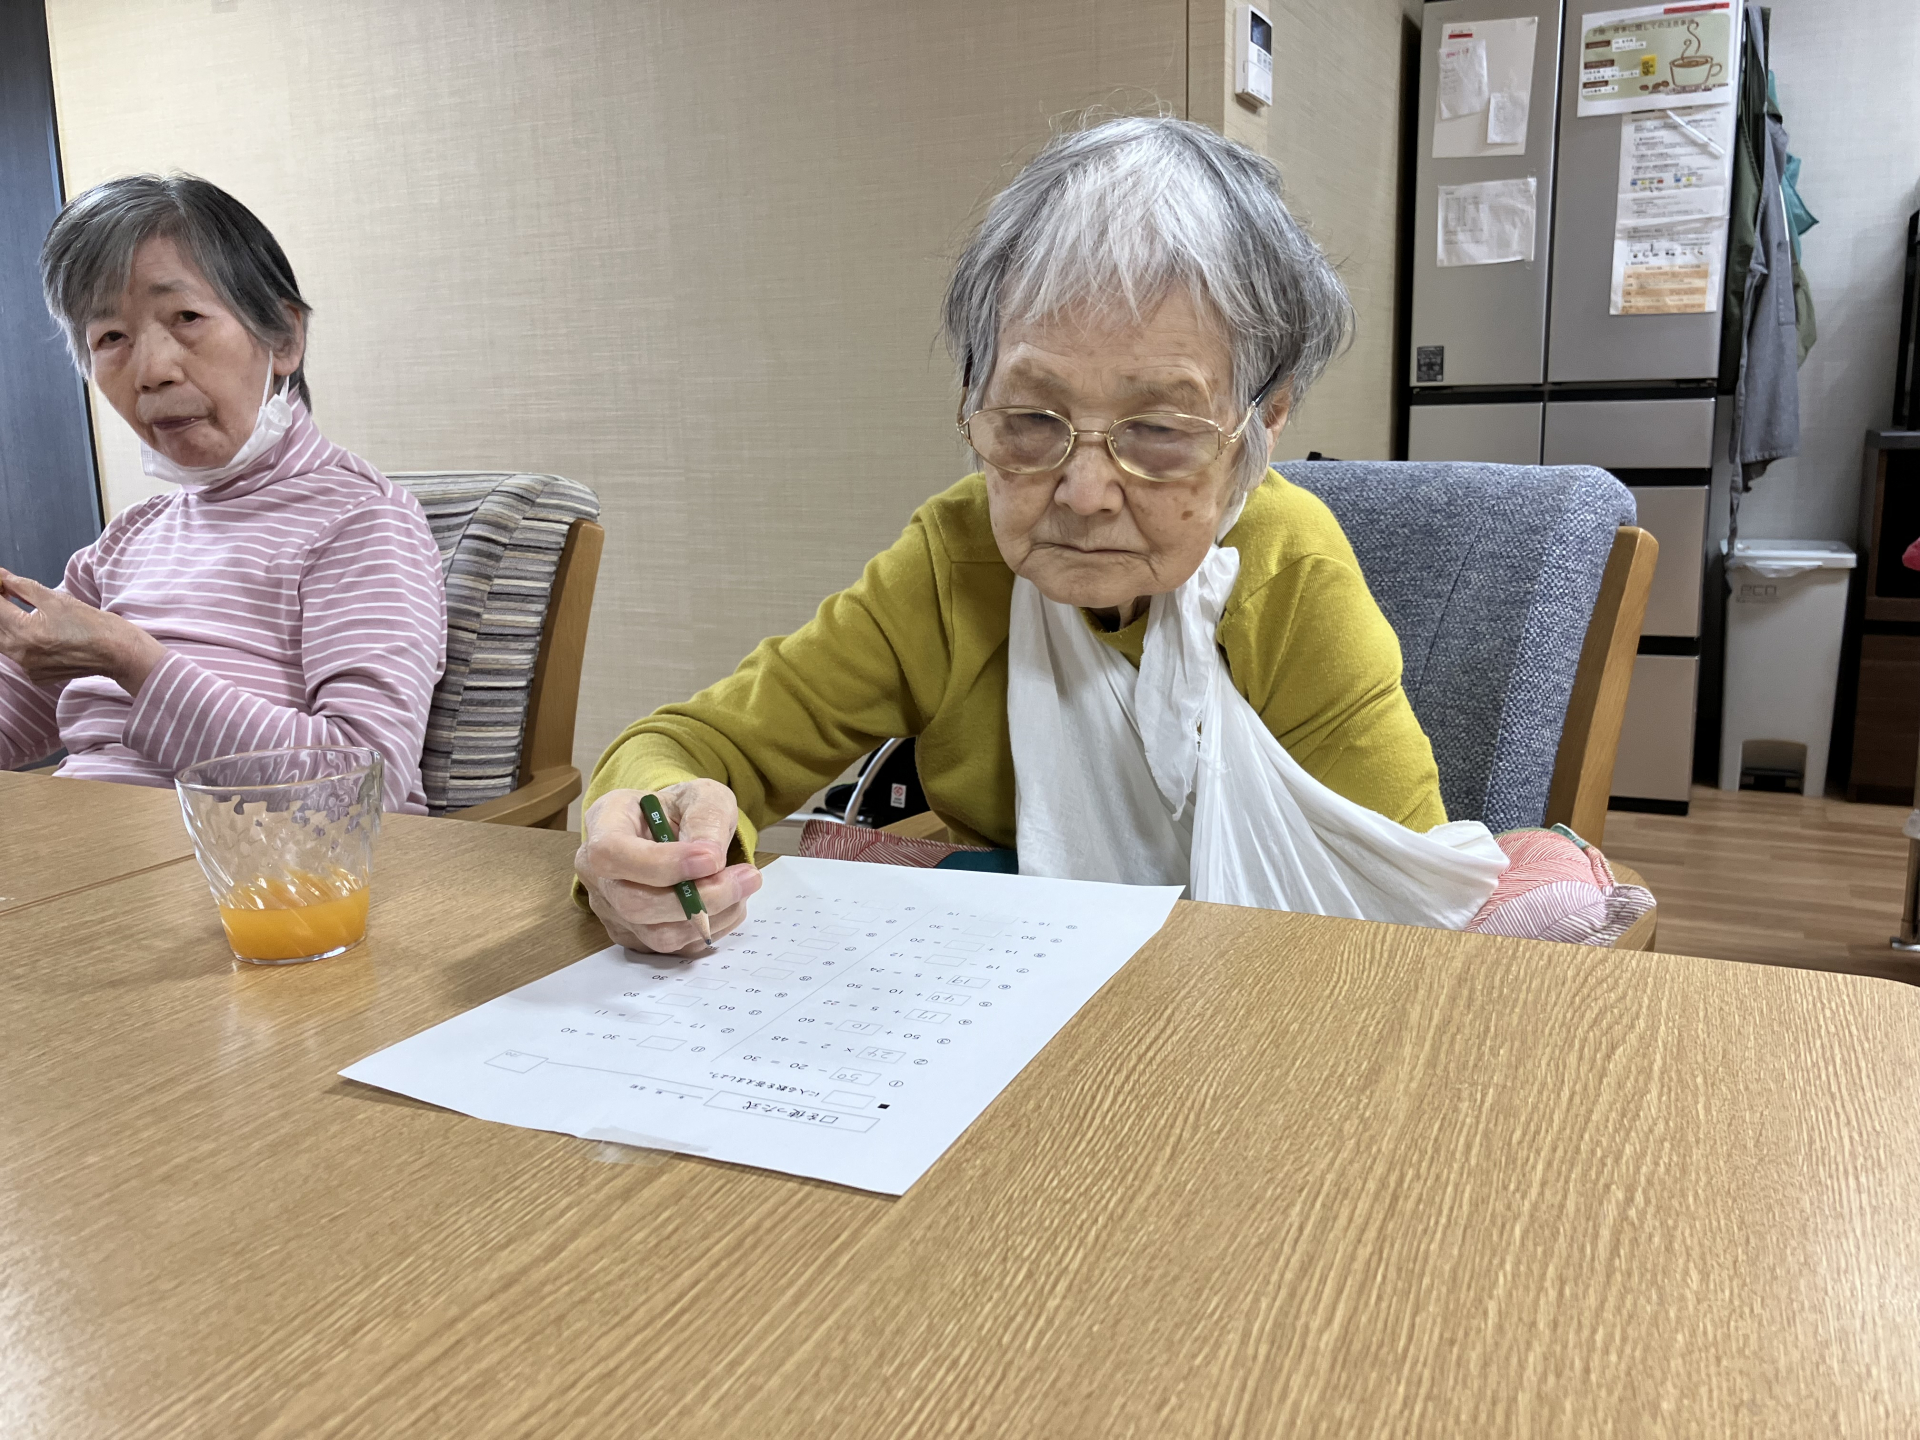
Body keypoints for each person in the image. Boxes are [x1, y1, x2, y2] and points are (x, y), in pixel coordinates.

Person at [576, 116, 1502, 955]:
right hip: (1008, 983)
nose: (1085, 493)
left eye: (1160, 428)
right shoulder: (952, 565)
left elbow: (1400, 896)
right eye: (1028, 419)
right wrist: (652, 831)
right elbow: (694, 745)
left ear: (1267, 418)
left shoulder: (1286, 573)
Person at [0, 175, 446, 813]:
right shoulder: (127, 540)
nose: (152, 371)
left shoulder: (361, 522)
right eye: (111, 338)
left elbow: (360, 786)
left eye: (186, 318)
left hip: (255, 864)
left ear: (283, 338)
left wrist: (130, 658)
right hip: (82, 843)